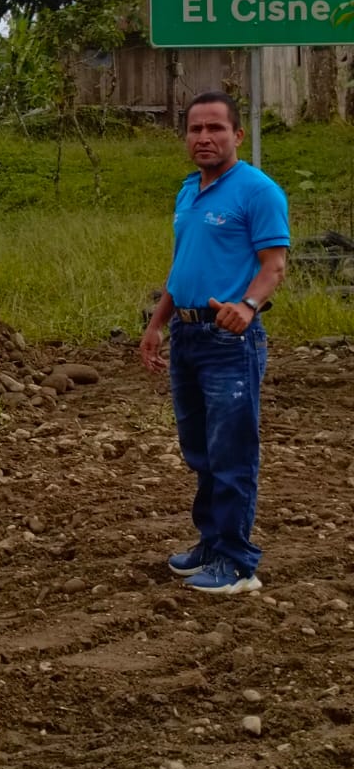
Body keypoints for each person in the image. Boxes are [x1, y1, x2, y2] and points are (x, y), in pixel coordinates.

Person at [139, 91, 289, 597]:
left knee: (232, 453)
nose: (204, 137)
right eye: (195, 129)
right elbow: (182, 264)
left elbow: (274, 266)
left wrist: (248, 306)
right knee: (200, 451)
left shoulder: (258, 191)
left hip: (229, 339)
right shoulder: (189, 191)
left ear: (237, 135)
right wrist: (157, 323)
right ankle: (211, 544)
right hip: (186, 335)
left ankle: (238, 563)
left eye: (216, 128)